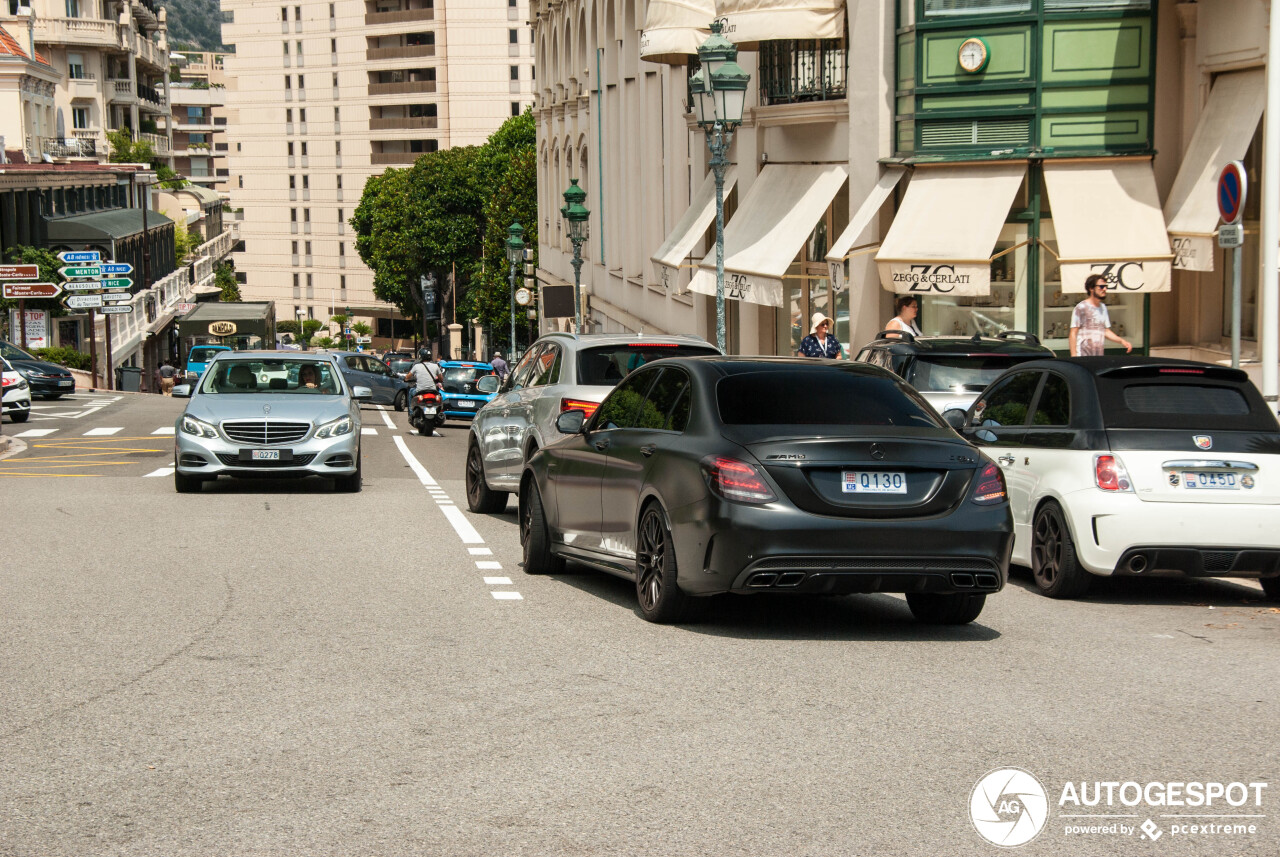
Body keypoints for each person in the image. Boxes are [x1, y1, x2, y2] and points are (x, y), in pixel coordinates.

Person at [1069, 274, 1132, 357]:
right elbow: (1073, 333)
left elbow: (1105, 331)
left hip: (1098, 355)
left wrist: (1122, 341)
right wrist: (1074, 356)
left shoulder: (1103, 307)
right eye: (1101, 286)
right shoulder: (1081, 307)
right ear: (1091, 288)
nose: (1105, 289)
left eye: (1106, 286)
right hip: (1082, 354)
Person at [403, 347, 442, 419]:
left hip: (420, 391)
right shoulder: (435, 366)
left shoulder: (416, 366)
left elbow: (407, 377)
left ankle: (411, 414)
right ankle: (439, 412)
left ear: (420, 356)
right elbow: (441, 379)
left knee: (411, 391)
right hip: (433, 391)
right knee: (439, 398)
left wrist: (406, 379)